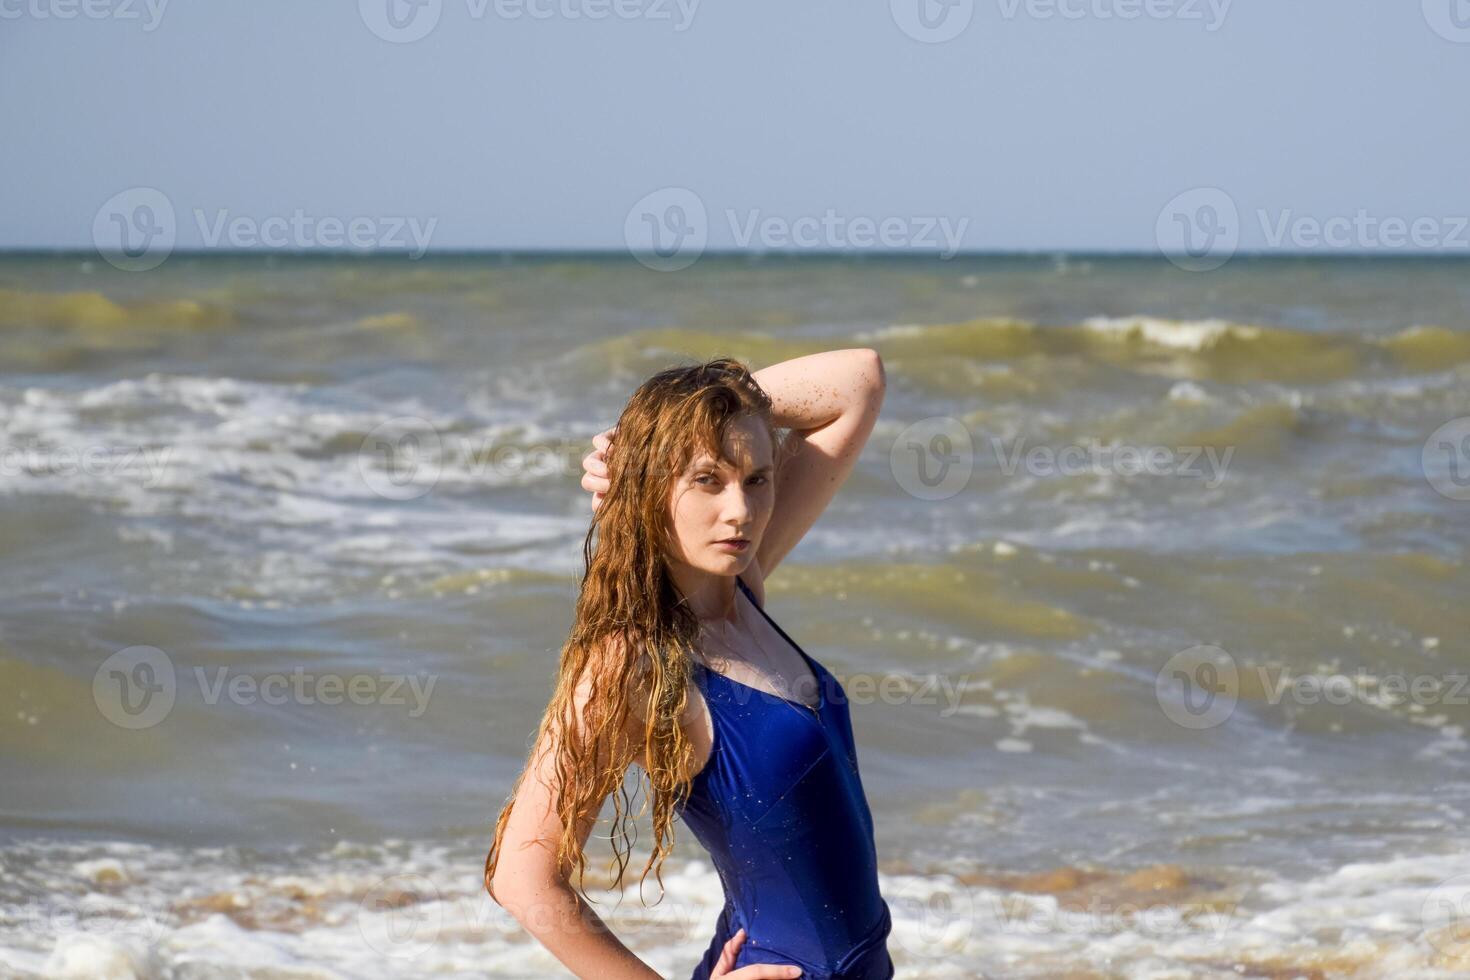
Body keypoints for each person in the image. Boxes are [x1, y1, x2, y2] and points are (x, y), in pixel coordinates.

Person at [484, 351, 891, 979]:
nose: (741, 511)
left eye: (757, 478)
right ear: (650, 485)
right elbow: (521, 876)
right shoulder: (630, 664)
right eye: (707, 480)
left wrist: (680, 419)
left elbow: (858, 379)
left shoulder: (742, 587)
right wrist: (656, 433)